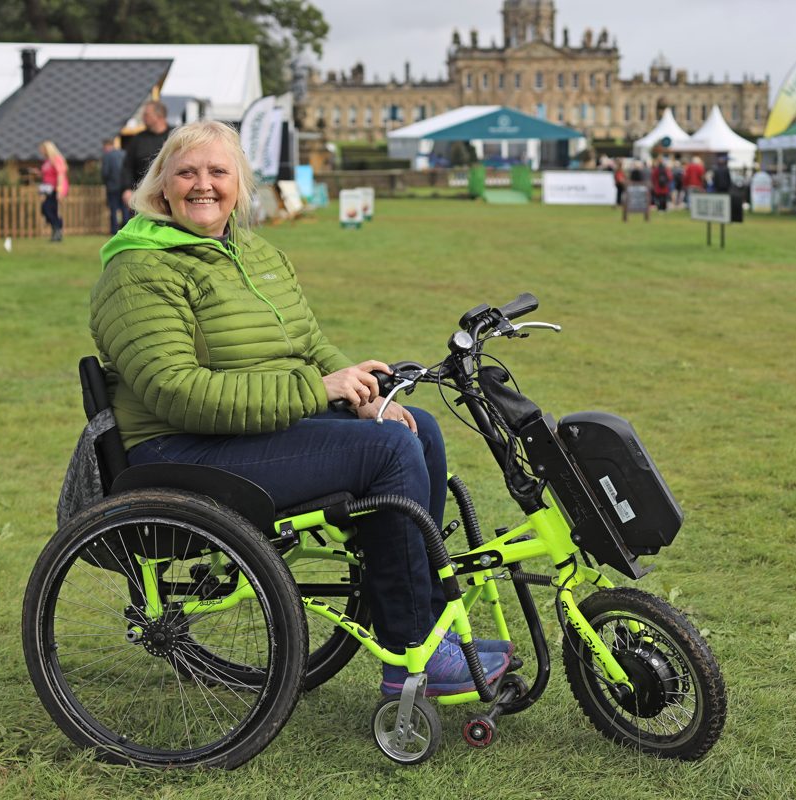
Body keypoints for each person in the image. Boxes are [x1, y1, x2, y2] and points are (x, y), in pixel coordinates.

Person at [89, 120, 511, 697]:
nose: (203, 185)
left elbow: (309, 346)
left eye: (218, 171)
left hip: (251, 431)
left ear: (240, 183)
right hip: (180, 449)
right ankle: (412, 653)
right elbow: (177, 393)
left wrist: (366, 392)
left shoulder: (256, 253)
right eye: (187, 172)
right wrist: (321, 391)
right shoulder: (138, 269)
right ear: (161, 185)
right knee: (389, 451)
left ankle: (433, 630)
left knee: (419, 430)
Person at [121, 100, 172, 208]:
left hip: (170, 196)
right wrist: (127, 189)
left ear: (159, 115)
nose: (143, 117)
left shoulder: (175, 136)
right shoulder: (138, 139)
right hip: (143, 198)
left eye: (146, 114)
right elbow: (127, 167)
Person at [38, 141, 69, 242]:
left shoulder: (56, 159)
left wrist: (59, 191)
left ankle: (57, 230)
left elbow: (60, 174)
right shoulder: (47, 161)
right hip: (48, 189)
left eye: (42, 149)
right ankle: (56, 230)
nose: (41, 151)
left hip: (56, 189)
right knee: (46, 209)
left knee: (49, 209)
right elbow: (46, 175)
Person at [100, 137, 127, 234]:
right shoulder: (123, 153)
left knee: (114, 208)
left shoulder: (107, 156)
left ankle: (114, 230)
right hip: (124, 186)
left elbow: (105, 172)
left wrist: (105, 181)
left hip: (112, 186)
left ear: (107, 146)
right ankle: (125, 229)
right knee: (124, 208)